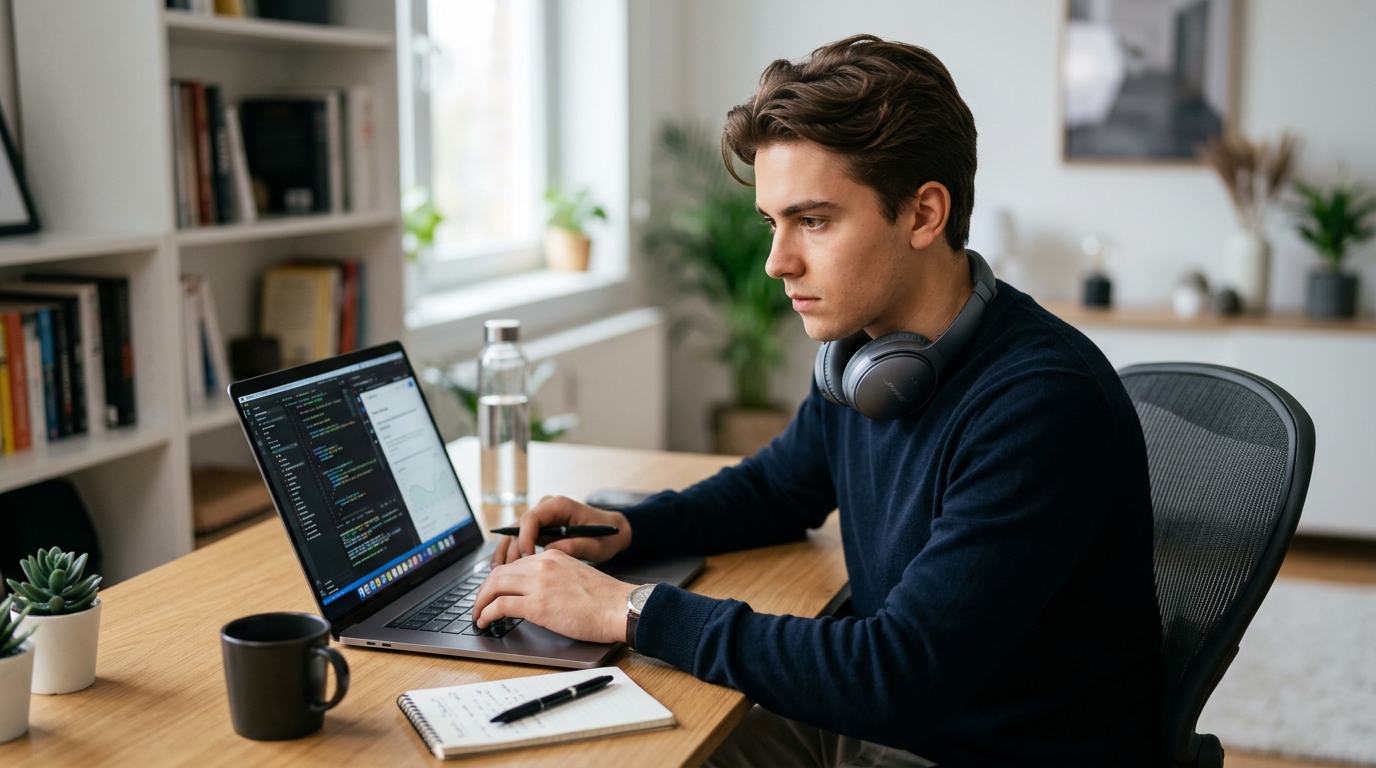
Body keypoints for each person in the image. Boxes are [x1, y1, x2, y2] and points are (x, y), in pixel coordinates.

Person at [471, 34, 1162, 766]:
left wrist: (627, 607)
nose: (777, 261)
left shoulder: (1039, 404)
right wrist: (630, 531)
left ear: (924, 214)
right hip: (904, 730)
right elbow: (778, 488)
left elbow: (894, 675)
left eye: (815, 220)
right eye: (774, 223)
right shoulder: (865, 355)